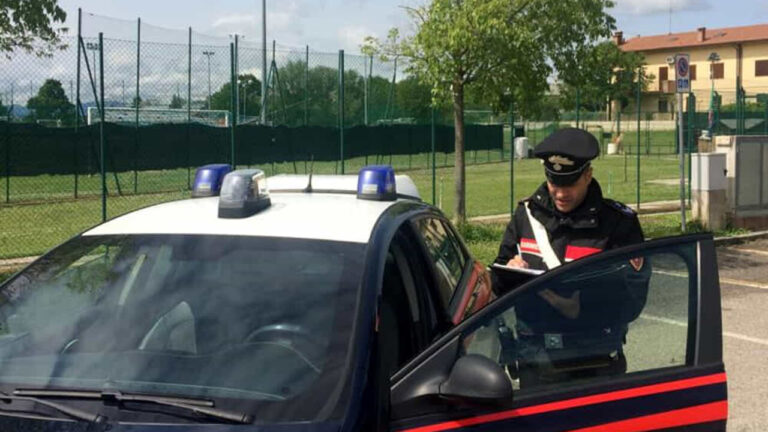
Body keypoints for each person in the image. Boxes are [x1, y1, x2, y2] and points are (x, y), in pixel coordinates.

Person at [492, 127, 649, 387]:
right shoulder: (526, 216)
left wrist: (580, 308)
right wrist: (509, 270)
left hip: (595, 362)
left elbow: (633, 298)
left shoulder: (618, 224)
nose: (561, 194)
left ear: (587, 175)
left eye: (570, 184)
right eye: (555, 183)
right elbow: (498, 282)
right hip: (536, 362)